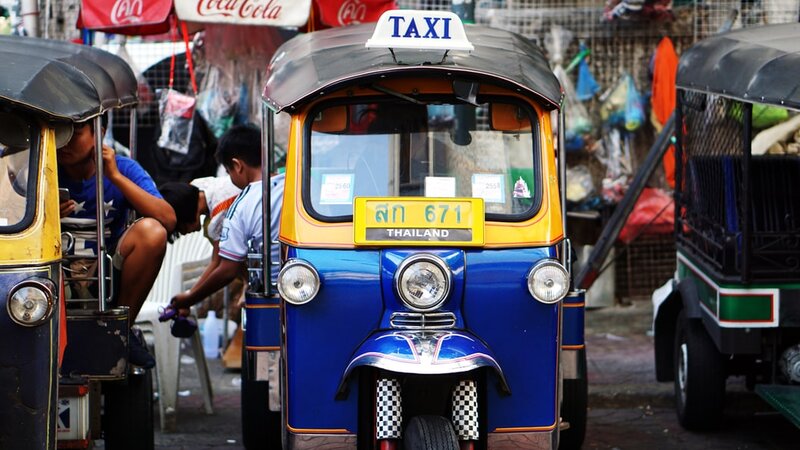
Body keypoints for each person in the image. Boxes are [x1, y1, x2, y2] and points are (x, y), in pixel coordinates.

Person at [58, 117, 176, 368]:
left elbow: (167, 219)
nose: (65, 142)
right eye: (60, 133)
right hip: (52, 274)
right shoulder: (40, 170)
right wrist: (44, 215)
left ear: (98, 133)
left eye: (75, 133)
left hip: (106, 272)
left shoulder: (124, 168)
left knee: (152, 232)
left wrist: (114, 176)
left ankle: (122, 328)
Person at [163, 124, 284, 323]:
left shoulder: (237, 207)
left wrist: (190, 297)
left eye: (228, 171)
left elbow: (225, 267)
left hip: (272, 292)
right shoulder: (289, 183)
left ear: (237, 166)